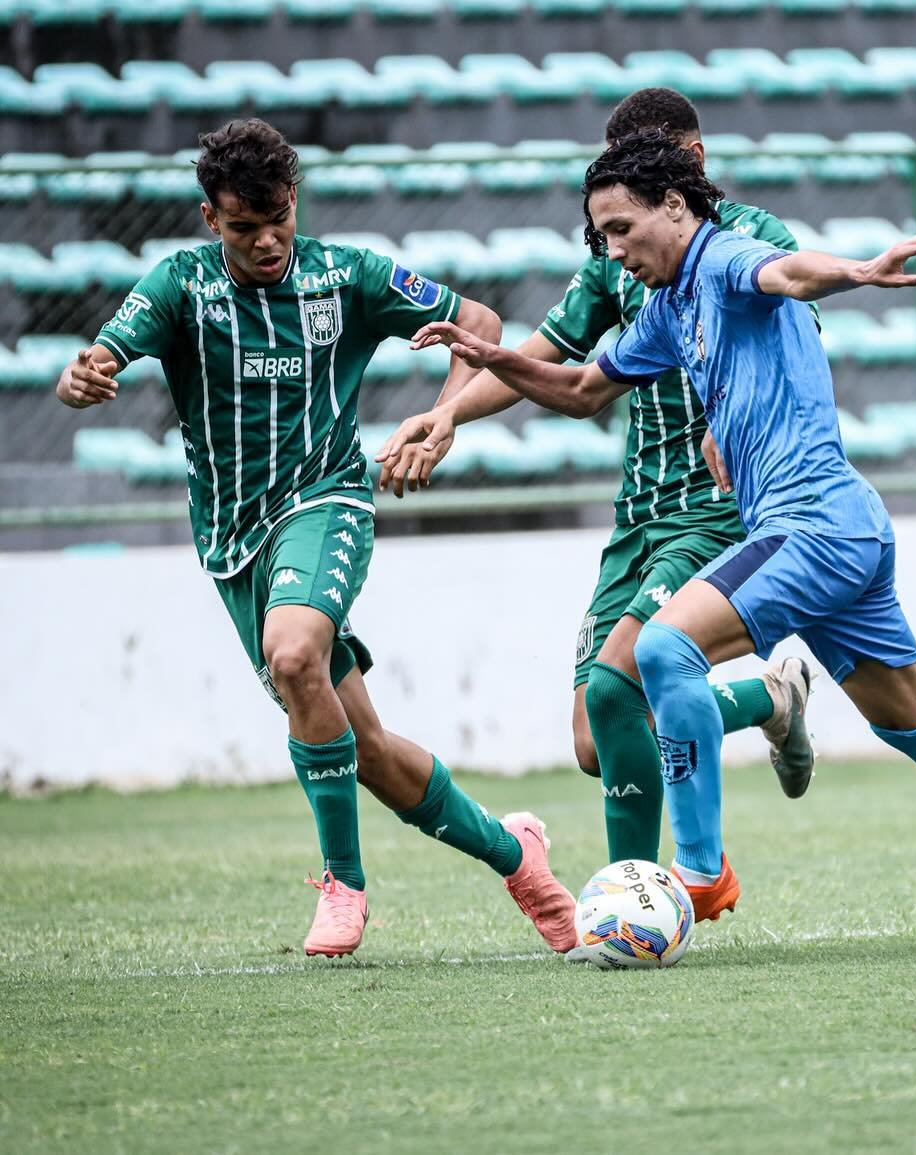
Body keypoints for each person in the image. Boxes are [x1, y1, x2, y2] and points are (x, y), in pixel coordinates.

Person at [408, 129, 916, 943]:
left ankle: (698, 871)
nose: (612, 249)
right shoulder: (669, 308)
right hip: (841, 529)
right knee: (915, 723)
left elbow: (788, 274)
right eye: (601, 236)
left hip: (813, 524)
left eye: (622, 228)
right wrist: (491, 357)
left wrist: (861, 270)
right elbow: (586, 386)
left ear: (675, 204)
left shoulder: (726, 257)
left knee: (664, 651)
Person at [55, 118, 577, 959]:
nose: (265, 242)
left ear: (294, 201)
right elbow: (104, 353)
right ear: (208, 219)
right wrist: (87, 375)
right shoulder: (182, 285)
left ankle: (344, 883)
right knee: (363, 747)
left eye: (278, 222)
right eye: (242, 227)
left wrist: (442, 417)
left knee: (295, 655)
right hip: (232, 542)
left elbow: (477, 319)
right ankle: (521, 860)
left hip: (329, 499)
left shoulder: (348, 275)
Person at [376, 89, 815, 869]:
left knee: (619, 688)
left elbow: (795, 334)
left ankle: (635, 895)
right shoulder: (614, 257)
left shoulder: (750, 237)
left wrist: (732, 413)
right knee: (594, 739)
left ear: (694, 165)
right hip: (637, 513)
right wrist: (450, 416)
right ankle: (771, 699)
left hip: (712, 508)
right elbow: (547, 355)